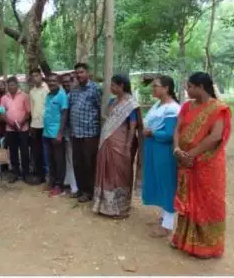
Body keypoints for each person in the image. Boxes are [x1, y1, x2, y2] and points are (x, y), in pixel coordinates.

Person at [172, 72, 231, 259]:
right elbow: (177, 128)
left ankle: (207, 245)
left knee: (207, 201)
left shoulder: (218, 109)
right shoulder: (187, 106)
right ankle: (184, 240)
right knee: (188, 200)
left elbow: (215, 137)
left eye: (190, 86)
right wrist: (176, 150)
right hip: (185, 162)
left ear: (200, 87)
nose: (187, 90)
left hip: (207, 164)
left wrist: (190, 154)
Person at [93, 74, 142, 218]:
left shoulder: (131, 104)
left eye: (113, 85)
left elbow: (133, 126)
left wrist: (127, 146)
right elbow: (109, 120)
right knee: (106, 172)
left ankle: (121, 208)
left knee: (120, 173)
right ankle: (104, 205)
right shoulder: (112, 101)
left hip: (121, 143)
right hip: (107, 141)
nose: (111, 88)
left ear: (121, 86)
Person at [142, 76, 180, 238]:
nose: (153, 89)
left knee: (167, 184)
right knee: (160, 182)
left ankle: (168, 226)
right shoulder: (159, 105)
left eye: (156, 86)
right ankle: (164, 217)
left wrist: (152, 132)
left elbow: (171, 134)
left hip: (164, 150)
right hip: (154, 147)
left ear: (166, 89)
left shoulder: (172, 109)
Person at [69, 63, 102, 202]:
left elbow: (100, 109)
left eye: (81, 72)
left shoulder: (95, 89)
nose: (79, 75)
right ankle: (81, 189)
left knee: (89, 163)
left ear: (87, 73)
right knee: (77, 163)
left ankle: (90, 192)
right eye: (77, 73)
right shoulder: (74, 90)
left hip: (90, 134)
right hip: (75, 133)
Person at [0, 76, 31, 183]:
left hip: (23, 129)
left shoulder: (24, 96)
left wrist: (21, 123)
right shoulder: (4, 98)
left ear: (17, 85)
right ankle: (15, 173)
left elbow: (28, 112)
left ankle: (26, 174)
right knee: (13, 152)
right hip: (10, 129)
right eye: (8, 85)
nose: (10, 87)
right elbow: (2, 113)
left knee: (24, 151)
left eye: (12, 84)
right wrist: (11, 124)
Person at [43, 74, 69, 197]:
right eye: (49, 80)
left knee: (59, 161)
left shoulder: (62, 96)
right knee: (50, 160)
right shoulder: (48, 96)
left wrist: (60, 134)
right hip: (46, 133)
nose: (51, 82)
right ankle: (52, 183)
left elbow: (64, 115)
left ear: (58, 82)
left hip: (56, 134)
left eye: (54, 81)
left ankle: (59, 186)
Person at [29, 68, 50, 184]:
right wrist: (32, 124)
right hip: (35, 125)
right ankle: (40, 175)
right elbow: (32, 109)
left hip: (46, 125)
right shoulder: (32, 92)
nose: (35, 78)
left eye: (37, 75)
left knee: (46, 151)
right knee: (36, 151)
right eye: (33, 76)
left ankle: (48, 175)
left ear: (41, 76)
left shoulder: (47, 88)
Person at [61, 73, 78, 196]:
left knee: (74, 159)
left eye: (70, 81)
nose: (67, 83)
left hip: (77, 132)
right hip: (66, 132)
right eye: (65, 81)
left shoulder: (76, 95)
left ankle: (75, 186)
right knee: (68, 158)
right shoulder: (64, 96)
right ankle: (71, 184)